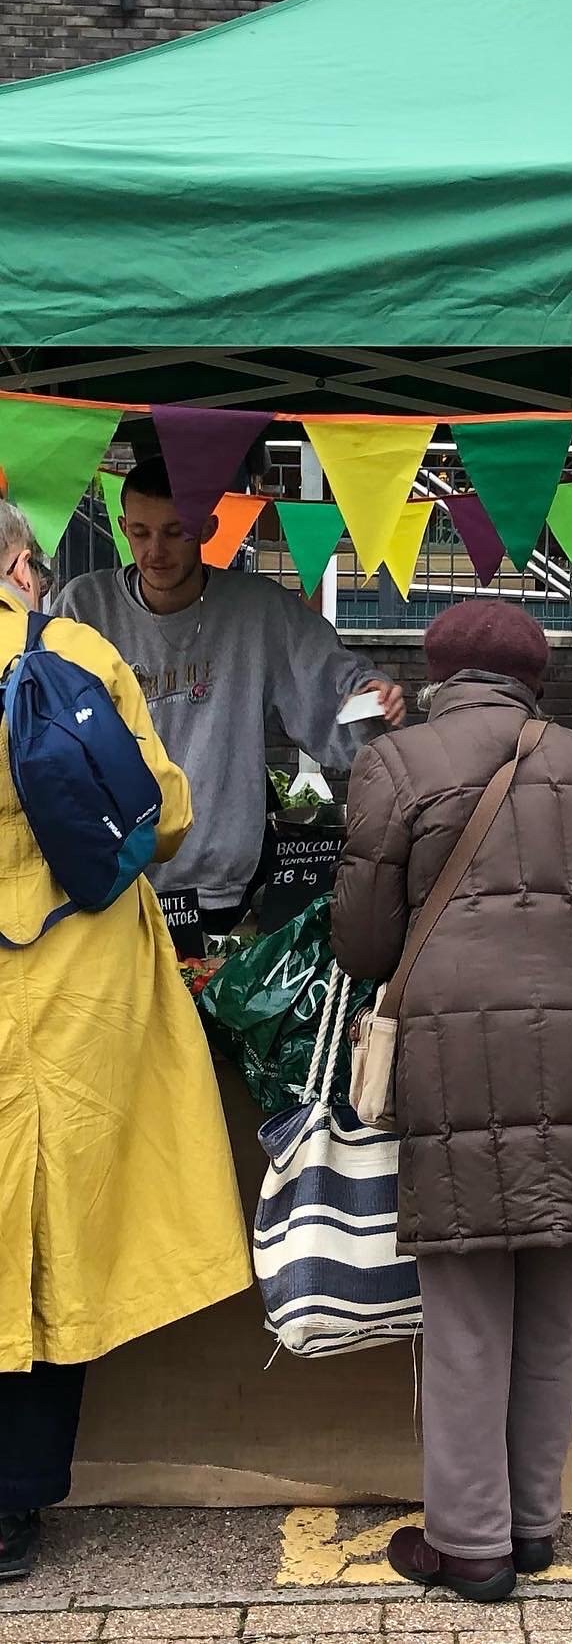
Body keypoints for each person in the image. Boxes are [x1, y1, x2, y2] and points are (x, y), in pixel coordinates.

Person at [332, 601, 572, 1605]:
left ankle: (470, 1543)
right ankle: (532, 1522)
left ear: (438, 671)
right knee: (553, 1295)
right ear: (536, 677)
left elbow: (362, 944)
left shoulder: (397, 764)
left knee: (468, 1301)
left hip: (455, 1057)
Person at [0, 500, 251, 1584]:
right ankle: (13, 1506)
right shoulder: (75, 648)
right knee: (59, 1230)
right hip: (76, 974)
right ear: (18, 559)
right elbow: (167, 813)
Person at [57, 455, 405, 932]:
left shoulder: (256, 611)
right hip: (112, 884)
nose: (154, 550)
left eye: (174, 531)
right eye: (139, 532)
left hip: (220, 890)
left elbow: (334, 696)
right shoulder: (83, 606)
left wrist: (371, 698)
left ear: (207, 527)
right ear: (121, 527)